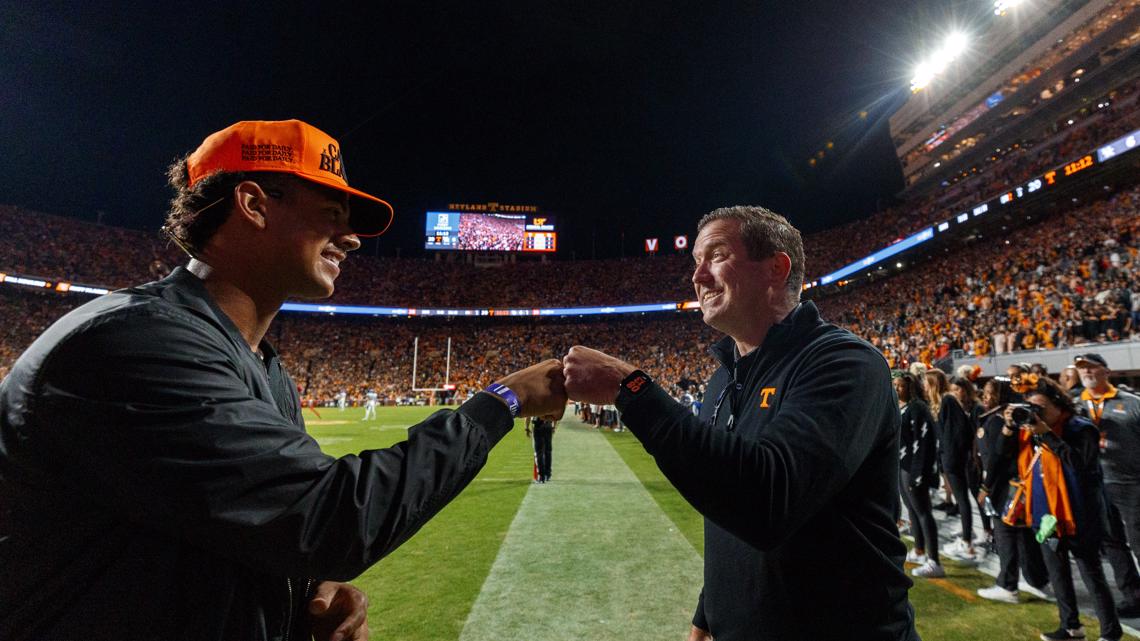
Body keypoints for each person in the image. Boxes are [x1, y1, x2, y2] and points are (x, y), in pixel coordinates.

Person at [0, 119, 567, 641]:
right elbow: (329, 519)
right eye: (332, 213)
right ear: (253, 204)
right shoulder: (135, 344)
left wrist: (306, 594)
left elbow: (249, 533)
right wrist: (503, 399)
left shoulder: (261, 366)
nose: (352, 238)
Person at [562, 206, 917, 640]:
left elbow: (767, 501)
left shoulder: (843, 364)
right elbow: (727, 503)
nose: (698, 276)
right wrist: (709, 609)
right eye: (696, 262)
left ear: (775, 268)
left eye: (716, 255)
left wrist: (630, 387)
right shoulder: (722, 381)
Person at [1008, 378, 1122, 641]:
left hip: (1080, 514)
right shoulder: (1033, 432)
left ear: (1058, 405)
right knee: (1058, 574)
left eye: (1041, 407)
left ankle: (1110, 632)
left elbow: (1080, 465)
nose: (1035, 413)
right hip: (1046, 514)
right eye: (1031, 407)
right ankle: (1071, 626)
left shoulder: (1081, 429)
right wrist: (1009, 426)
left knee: (1091, 574)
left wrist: (1046, 433)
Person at [1074, 353, 1140, 617]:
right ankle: (1133, 595)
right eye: (1082, 368)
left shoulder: (1132, 403)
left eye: (1092, 367)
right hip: (1093, 483)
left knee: (1138, 540)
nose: (1087, 372)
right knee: (1111, 542)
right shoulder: (1074, 404)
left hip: (1131, 482)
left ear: (1107, 372)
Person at [977, 377, 1051, 603]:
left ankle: (1007, 584)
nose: (986, 397)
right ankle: (1037, 579)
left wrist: (985, 486)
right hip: (1020, 483)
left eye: (991, 393)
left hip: (1006, 486)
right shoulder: (1003, 418)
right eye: (985, 392)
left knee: (1005, 533)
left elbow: (997, 456)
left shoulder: (1001, 420)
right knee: (1024, 534)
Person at [897, 372, 944, 578]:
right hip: (902, 465)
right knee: (912, 510)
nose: (897, 389)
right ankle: (919, 550)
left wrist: (918, 471)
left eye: (900, 386)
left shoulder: (917, 408)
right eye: (895, 385)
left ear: (910, 387)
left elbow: (923, 441)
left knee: (923, 511)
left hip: (913, 467)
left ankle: (934, 561)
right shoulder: (900, 407)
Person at [525, 415, 556, 483]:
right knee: (548, 451)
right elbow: (554, 413)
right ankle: (547, 474)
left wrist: (526, 428)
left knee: (539, 452)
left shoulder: (533, 403)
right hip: (548, 425)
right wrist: (553, 426)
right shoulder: (549, 403)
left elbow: (529, 415)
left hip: (538, 425)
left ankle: (541, 476)